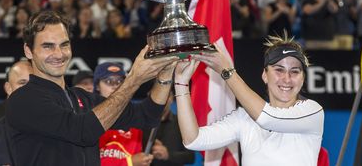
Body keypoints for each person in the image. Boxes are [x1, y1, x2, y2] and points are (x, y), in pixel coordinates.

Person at [5, 10, 178, 165]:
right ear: (28, 51)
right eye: (47, 46)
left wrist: (165, 73)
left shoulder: (81, 97)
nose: (58, 54)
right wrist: (133, 79)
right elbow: (82, 132)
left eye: (64, 45)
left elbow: (147, 116)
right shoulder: (22, 100)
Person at [174, 33, 324, 165]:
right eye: (279, 70)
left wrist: (227, 71)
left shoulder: (312, 111)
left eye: (295, 71)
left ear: (303, 79)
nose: (287, 78)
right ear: (265, 75)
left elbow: (268, 118)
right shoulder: (244, 117)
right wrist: (181, 83)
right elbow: (193, 140)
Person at [94, 62, 153, 166]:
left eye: (119, 81)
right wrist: (129, 162)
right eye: (108, 81)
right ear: (97, 86)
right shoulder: (88, 116)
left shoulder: (135, 116)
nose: (115, 87)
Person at [142, 91, 195, 166]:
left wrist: (168, 155)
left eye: (163, 97)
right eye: (155, 97)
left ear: (171, 98)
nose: (159, 101)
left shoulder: (181, 123)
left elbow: (191, 157)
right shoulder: (142, 124)